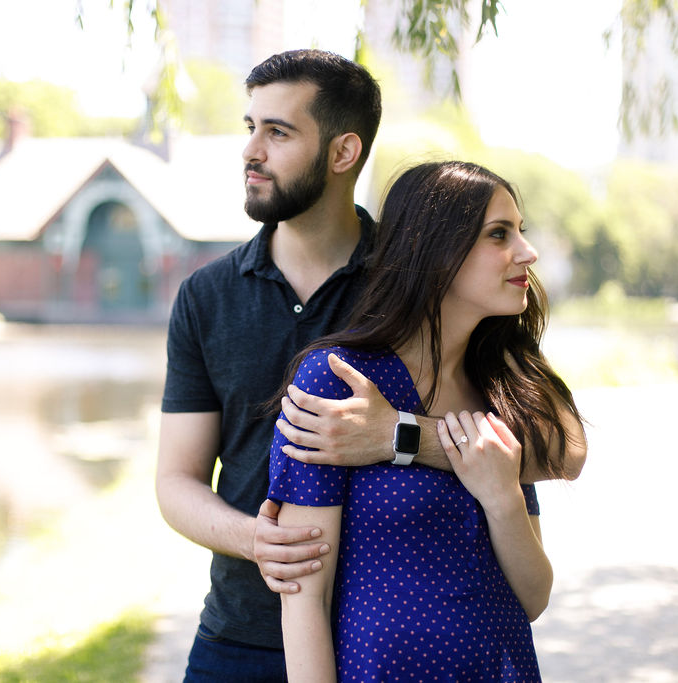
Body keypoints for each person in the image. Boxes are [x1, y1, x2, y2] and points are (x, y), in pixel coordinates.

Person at [267, 161, 587, 681]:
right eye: (499, 235)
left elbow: (533, 597)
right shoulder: (338, 383)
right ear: (435, 251)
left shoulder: (501, 387)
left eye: (520, 233)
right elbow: (305, 596)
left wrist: (500, 492)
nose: (527, 253)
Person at [156, 49, 386, 681]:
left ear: (343, 153)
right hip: (238, 638)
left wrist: (399, 438)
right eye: (250, 126)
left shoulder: (414, 285)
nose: (250, 150)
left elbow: (537, 446)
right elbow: (176, 481)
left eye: (277, 132)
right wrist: (251, 539)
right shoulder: (206, 295)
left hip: (387, 635)